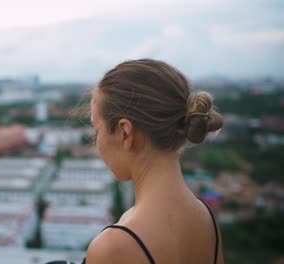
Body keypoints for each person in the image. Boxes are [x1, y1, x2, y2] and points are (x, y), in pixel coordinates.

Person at [82, 59, 224, 264]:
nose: (97, 142)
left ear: (124, 132)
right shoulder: (206, 219)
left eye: (97, 130)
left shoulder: (113, 248)